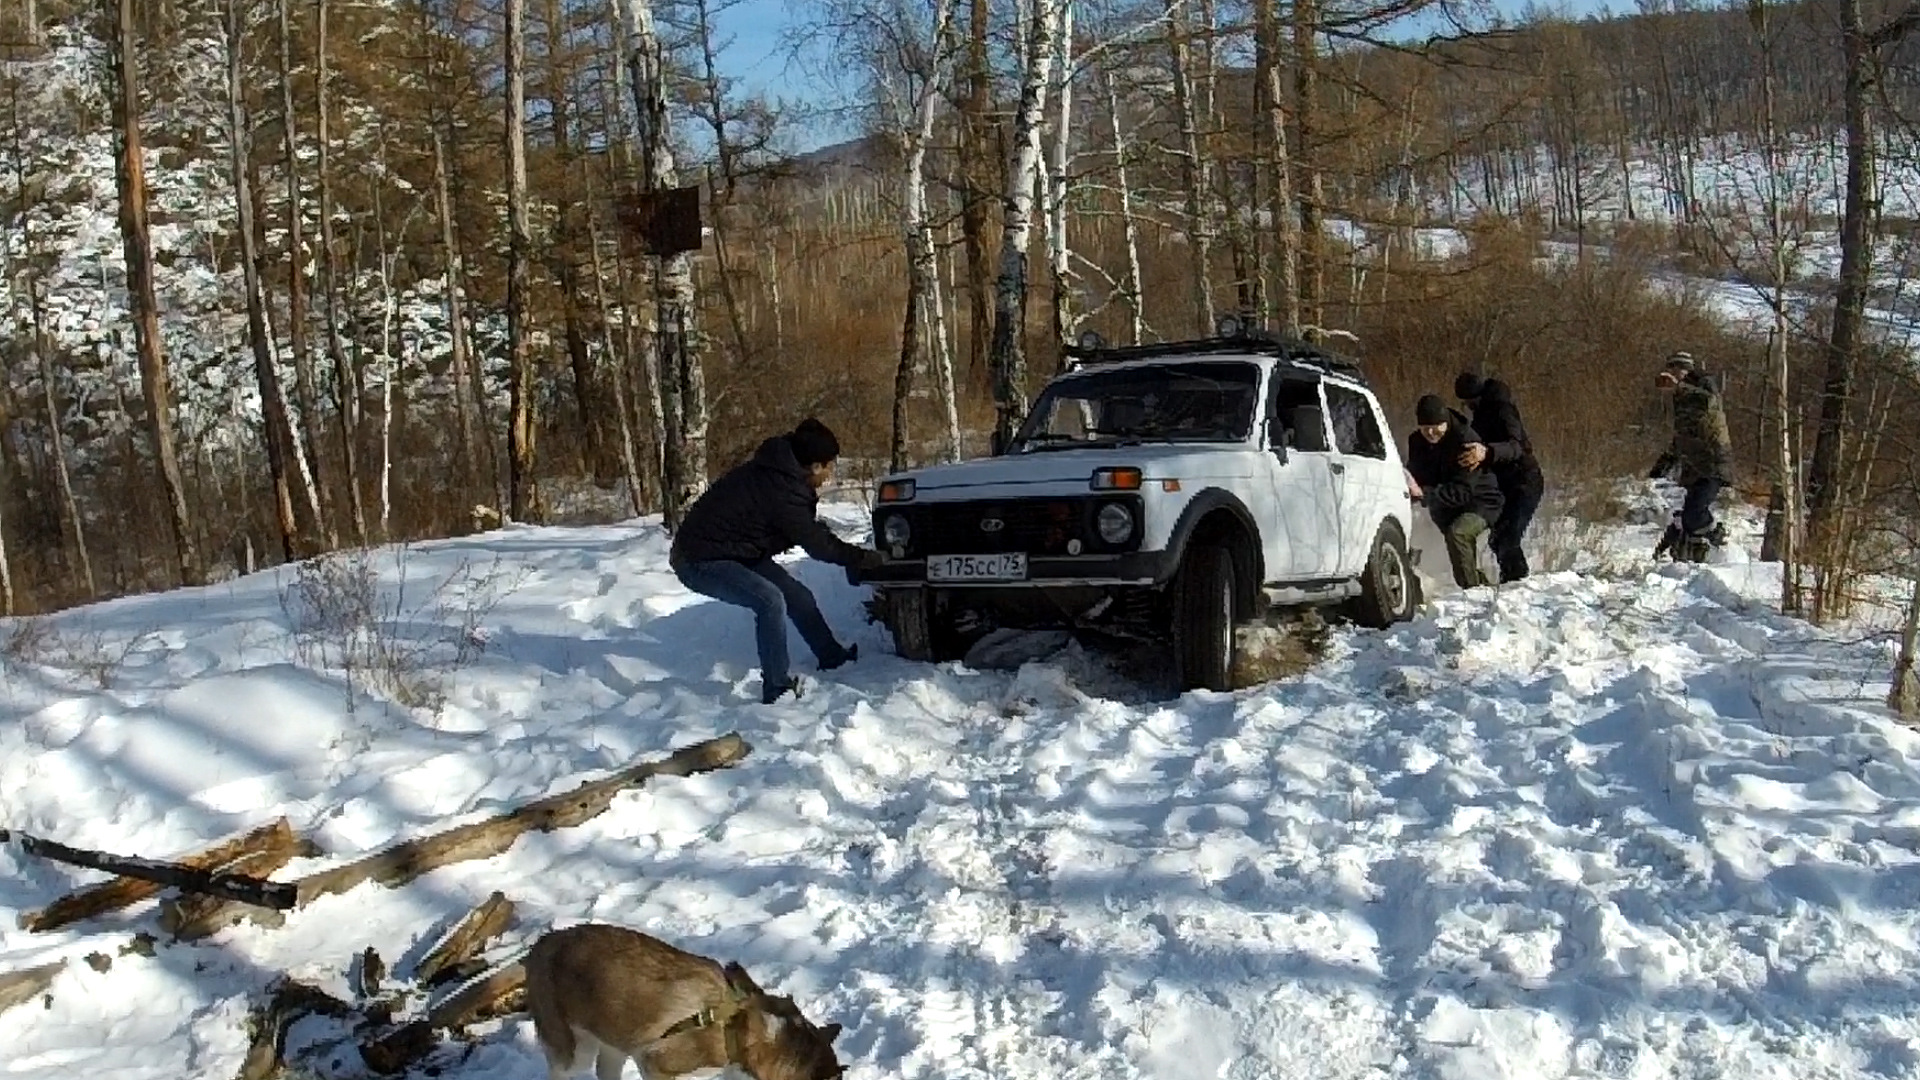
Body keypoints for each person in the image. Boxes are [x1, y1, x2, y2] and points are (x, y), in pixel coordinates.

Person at [669, 418, 884, 704]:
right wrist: (861, 558)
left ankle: (832, 657)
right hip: (698, 559)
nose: (831, 474)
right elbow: (817, 545)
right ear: (814, 466)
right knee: (769, 600)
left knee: (798, 596)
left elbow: (805, 527)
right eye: (830, 465)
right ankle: (777, 688)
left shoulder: (782, 473)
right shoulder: (782, 489)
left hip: (736, 550)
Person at [1404, 394, 1506, 590]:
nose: (1431, 432)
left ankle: (1472, 592)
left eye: (1436, 426)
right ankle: (1484, 588)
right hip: (1445, 505)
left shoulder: (1465, 441)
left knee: (1458, 533)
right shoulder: (1416, 442)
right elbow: (1415, 474)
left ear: (1445, 421)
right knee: (1459, 548)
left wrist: (1426, 494)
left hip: (1482, 501)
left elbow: (1464, 491)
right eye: (1426, 428)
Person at [1454, 372, 1546, 583]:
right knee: (1497, 539)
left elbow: (1516, 446)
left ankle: (1518, 583)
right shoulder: (1480, 417)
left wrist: (1488, 452)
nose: (1468, 406)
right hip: (1504, 485)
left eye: (1470, 401)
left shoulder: (1503, 409)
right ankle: (1511, 581)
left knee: (1508, 538)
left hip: (1525, 481)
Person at [1648, 351, 1732, 562]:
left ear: (1686, 369)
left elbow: (1708, 401)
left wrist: (1679, 386)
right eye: (1670, 369)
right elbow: (1682, 435)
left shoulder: (1704, 384)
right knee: (1688, 516)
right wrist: (1664, 463)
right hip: (1694, 464)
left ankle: (1720, 541)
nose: (1672, 374)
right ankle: (1694, 554)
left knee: (1695, 512)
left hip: (1713, 461)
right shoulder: (1681, 399)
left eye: (1676, 369)